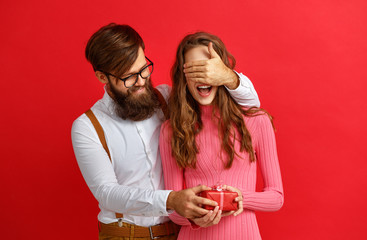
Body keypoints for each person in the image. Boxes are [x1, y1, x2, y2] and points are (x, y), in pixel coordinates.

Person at [71, 23, 260, 240]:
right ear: (102, 77)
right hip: (125, 235)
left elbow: (250, 108)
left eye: (143, 69)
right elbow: (107, 193)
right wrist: (171, 200)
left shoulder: (167, 99)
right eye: (128, 77)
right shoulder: (87, 127)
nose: (141, 81)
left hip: (178, 230)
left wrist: (229, 77)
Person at [159, 32, 284, 240]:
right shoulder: (171, 130)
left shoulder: (257, 121)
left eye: (207, 69)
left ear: (221, 71)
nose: (203, 77)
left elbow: (276, 197)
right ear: (183, 78)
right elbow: (173, 208)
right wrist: (192, 217)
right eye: (194, 70)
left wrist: (241, 198)